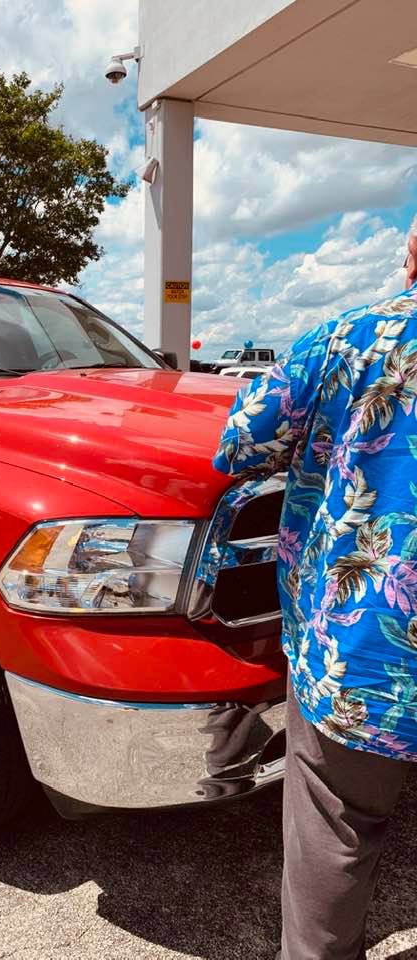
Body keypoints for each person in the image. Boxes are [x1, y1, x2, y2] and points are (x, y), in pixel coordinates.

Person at [213, 224, 417, 960]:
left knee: (336, 824)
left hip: (363, 651)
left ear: (413, 258)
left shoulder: (352, 339)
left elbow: (240, 439)